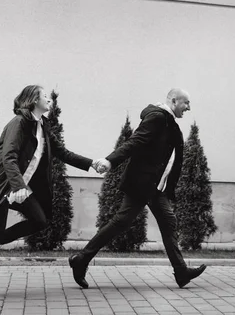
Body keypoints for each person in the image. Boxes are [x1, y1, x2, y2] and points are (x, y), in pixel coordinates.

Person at [0, 85, 100, 298]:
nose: (49, 99)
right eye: (45, 96)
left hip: (20, 185)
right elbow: (8, 157)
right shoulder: (19, 123)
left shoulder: (42, 126)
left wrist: (92, 163)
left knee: (39, 219)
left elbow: (63, 153)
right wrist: (18, 186)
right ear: (33, 100)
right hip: (3, 183)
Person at [69, 88, 207, 289]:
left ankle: (181, 272)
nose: (189, 108)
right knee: (121, 222)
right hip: (142, 183)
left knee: (168, 222)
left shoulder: (169, 124)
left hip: (155, 187)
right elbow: (135, 142)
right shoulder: (157, 118)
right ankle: (81, 260)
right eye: (186, 103)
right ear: (174, 100)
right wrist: (110, 161)